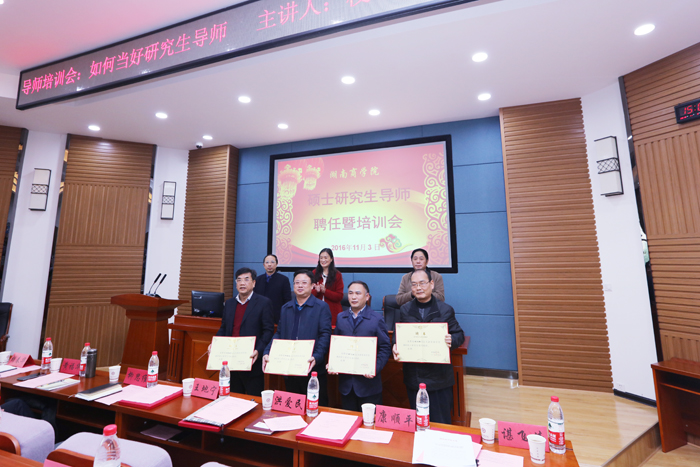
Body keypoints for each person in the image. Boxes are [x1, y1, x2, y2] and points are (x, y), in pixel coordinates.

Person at [393, 268, 464, 424]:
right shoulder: (405, 309)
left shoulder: (445, 309)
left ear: (431, 284)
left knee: (440, 422)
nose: (418, 288)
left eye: (422, 283)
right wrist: (395, 345)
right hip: (414, 375)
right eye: (414, 284)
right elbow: (398, 334)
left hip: (439, 377)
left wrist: (452, 339)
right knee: (418, 421)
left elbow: (459, 334)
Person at [263, 270, 332, 406]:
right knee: (294, 406)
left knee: (315, 407)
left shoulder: (321, 307)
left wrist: (317, 356)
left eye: (304, 282)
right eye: (297, 283)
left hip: (312, 367)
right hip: (289, 368)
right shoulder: (286, 307)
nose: (300, 285)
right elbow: (279, 333)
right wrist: (267, 351)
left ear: (312, 285)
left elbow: (325, 335)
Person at [328, 281, 391, 411]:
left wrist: (375, 368)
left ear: (367, 296)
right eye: (350, 293)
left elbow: (385, 348)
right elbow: (336, 345)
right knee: (349, 419)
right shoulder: (341, 317)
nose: (354, 297)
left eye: (358, 293)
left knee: (370, 421)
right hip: (347, 385)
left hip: (368, 385)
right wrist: (333, 363)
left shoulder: (376, 318)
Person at [214, 267, 275, 396]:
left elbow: (268, 331)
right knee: (233, 397)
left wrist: (258, 350)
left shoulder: (264, 303)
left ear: (254, 283)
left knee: (254, 399)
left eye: (246, 279)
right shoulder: (229, 303)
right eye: (239, 280)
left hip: (252, 361)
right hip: (231, 361)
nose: (242, 283)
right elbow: (224, 328)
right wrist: (215, 344)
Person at [253, 254, 292, 324]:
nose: (269, 264)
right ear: (264, 265)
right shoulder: (258, 280)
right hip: (259, 316)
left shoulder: (283, 280)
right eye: (267, 262)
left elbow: (287, 300)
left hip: (277, 316)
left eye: (272, 262)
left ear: (276, 264)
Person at [311, 248, 344, 326]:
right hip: (316, 310)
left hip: (332, 311)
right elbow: (308, 295)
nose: (323, 260)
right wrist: (316, 291)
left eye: (326, 257)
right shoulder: (314, 273)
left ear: (331, 259)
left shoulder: (337, 275)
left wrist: (325, 291)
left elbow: (339, 296)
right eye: (321, 258)